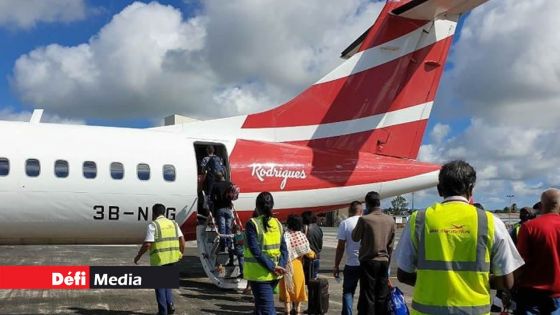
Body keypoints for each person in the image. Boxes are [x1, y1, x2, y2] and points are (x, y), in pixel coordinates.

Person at [395, 160, 524, 315]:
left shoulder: (419, 220)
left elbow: (403, 274)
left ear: (439, 190)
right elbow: (507, 281)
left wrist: (436, 283)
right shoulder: (490, 221)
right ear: (471, 189)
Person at [134, 204, 185, 315]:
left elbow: (147, 244)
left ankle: (163, 312)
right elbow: (182, 240)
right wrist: (181, 253)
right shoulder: (174, 223)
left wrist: (138, 256)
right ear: (164, 212)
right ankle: (170, 305)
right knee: (167, 285)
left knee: (160, 288)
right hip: (173, 259)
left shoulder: (154, 225)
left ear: (154, 213)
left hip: (160, 261)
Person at [515, 188, 560, 314]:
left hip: (531, 294)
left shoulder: (529, 227)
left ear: (541, 205)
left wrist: (511, 288)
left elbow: (520, 262)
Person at [243, 192, 288, 315]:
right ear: (272, 206)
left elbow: (255, 251)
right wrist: (280, 266)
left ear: (256, 207)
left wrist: (274, 267)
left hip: (259, 275)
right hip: (275, 275)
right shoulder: (278, 223)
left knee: (266, 310)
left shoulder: (252, 224)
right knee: (261, 309)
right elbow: (284, 249)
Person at [351, 191, 395, 315]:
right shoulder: (390, 220)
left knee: (368, 295)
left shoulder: (365, 219)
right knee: (381, 295)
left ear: (368, 204)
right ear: (379, 203)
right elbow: (390, 245)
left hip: (369, 261)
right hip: (384, 261)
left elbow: (355, 237)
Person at [279, 215, 316, 315]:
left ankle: (287, 310)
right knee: (298, 290)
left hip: (286, 267)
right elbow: (309, 253)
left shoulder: (285, 236)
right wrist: (314, 255)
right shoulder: (301, 236)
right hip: (298, 266)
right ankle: (297, 310)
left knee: (287, 291)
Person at [334, 201, 363, 315]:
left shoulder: (345, 223)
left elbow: (340, 247)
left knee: (348, 292)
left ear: (350, 211)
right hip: (365, 263)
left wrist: (336, 265)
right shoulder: (367, 222)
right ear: (361, 211)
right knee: (365, 292)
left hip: (351, 263)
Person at [211, 174, 234, 253]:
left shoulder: (215, 185)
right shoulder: (229, 184)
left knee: (222, 228)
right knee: (228, 227)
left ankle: (223, 246)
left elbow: (212, 198)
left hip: (220, 208)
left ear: (217, 178)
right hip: (228, 208)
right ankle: (229, 244)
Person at [302, 211, 323, 282]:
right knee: (314, 281)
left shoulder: (305, 228)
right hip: (316, 257)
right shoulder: (318, 228)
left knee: (306, 282)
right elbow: (320, 245)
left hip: (308, 258)